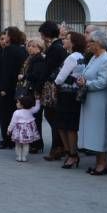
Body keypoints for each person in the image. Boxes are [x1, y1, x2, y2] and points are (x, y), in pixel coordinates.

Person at [76, 30, 107, 175]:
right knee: (93, 131)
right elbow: (87, 74)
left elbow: (102, 82)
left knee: (100, 131)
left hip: (100, 100)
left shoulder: (106, 60)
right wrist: (82, 79)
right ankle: (99, 161)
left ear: (98, 43)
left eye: (91, 41)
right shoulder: (94, 57)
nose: (88, 44)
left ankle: (103, 163)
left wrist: (86, 84)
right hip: (90, 99)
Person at [54, 32, 86, 169]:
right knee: (67, 126)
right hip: (73, 94)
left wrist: (56, 80)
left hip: (67, 94)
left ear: (73, 42)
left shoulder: (72, 57)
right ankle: (71, 153)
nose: (64, 40)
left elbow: (59, 78)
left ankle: (71, 154)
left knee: (66, 126)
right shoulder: (81, 56)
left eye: (67, 39)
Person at [0, 27, 27, 149]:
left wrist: (3, 88)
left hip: (6, 88)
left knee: (6, 115)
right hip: (16, 87)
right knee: (13, 113)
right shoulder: (21, 50)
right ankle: (13, 139)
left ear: (11, 36)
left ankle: (7, 140)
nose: (5, 37)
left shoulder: (8, 50)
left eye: (6, 34)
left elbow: (6, 71)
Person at [39, 21, 68, 160]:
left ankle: (57, 147)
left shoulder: (54, 48)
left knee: (52, 117)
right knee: (53, 117)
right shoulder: (58, 46)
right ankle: (60, 146)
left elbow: (47, 69)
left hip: (51, 87)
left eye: (42, 34)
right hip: (54, 86)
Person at [8, 96, 41, 162]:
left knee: (18, 144)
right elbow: (37, 108)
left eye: (18, 102)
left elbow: (13, 122)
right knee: (26, 144)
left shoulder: (16, 112)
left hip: (19, 132)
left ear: (22, 105)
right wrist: (37, 101)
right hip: (28, 132)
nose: (16, 103)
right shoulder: (31, 110)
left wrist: (9, 129)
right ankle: (24, 157)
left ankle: (19, 156)